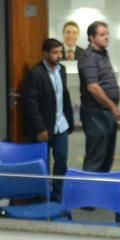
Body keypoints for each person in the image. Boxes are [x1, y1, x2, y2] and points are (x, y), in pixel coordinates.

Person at [19, 38, 73, 200]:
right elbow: (31, 104)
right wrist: (40, 128)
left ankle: (58, 191)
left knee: (62, 158)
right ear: (45, 54)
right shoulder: (35, 74)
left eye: (60, 52)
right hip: (44, 127)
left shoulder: (61, 70)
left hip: (61, 124)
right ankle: (41, 193)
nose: (58, 56)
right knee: (42, 162)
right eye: (55, 53)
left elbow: (63, 96)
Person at [77, 21, 120, 172]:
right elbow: (93, 88)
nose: (107, 37)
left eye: (107, 34)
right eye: (102, 35)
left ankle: (102, 192)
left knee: (106, 157)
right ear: (91, 37)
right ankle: (89, 193)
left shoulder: (102, 54)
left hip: (106, 113)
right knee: (96, 158)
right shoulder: (89, 57)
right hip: (96, 114)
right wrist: (112, 106)